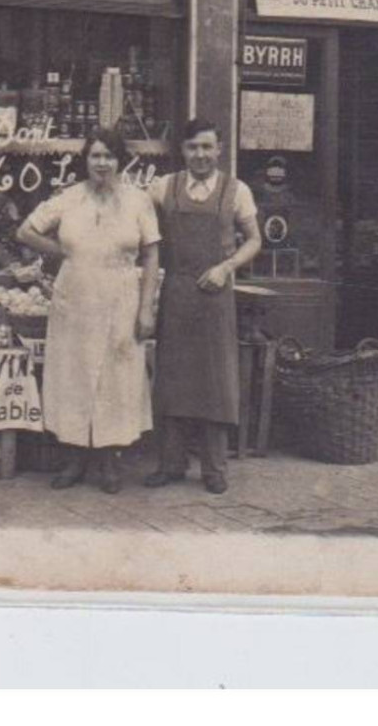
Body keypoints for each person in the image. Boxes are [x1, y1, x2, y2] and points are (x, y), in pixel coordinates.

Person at [16, 127, 160, 494]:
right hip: (75, 299)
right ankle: (74, 458)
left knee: (117, 379)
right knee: (74, 376)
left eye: (109, 156)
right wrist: (61, 252)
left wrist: (146, 309)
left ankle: (108, 461)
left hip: (120, 298)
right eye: (95, 155)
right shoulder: (68, 198)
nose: (102, 163)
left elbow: (151, 252)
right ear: (86, 160)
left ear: (120, 161)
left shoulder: (137, 200)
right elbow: (25, 231)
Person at [144, 118, 263, 495]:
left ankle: (215, 470)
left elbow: (255, 239)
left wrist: (226, 267)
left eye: (207, 147)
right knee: (173, 379)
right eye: (193, 147)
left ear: (220, 149)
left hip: (215, 297)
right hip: (177, 295)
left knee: (216, 383)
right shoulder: (163, 188)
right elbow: (142, 232)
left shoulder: (236, 190)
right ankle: (171, 464)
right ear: (182, 150)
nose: (200, 155)